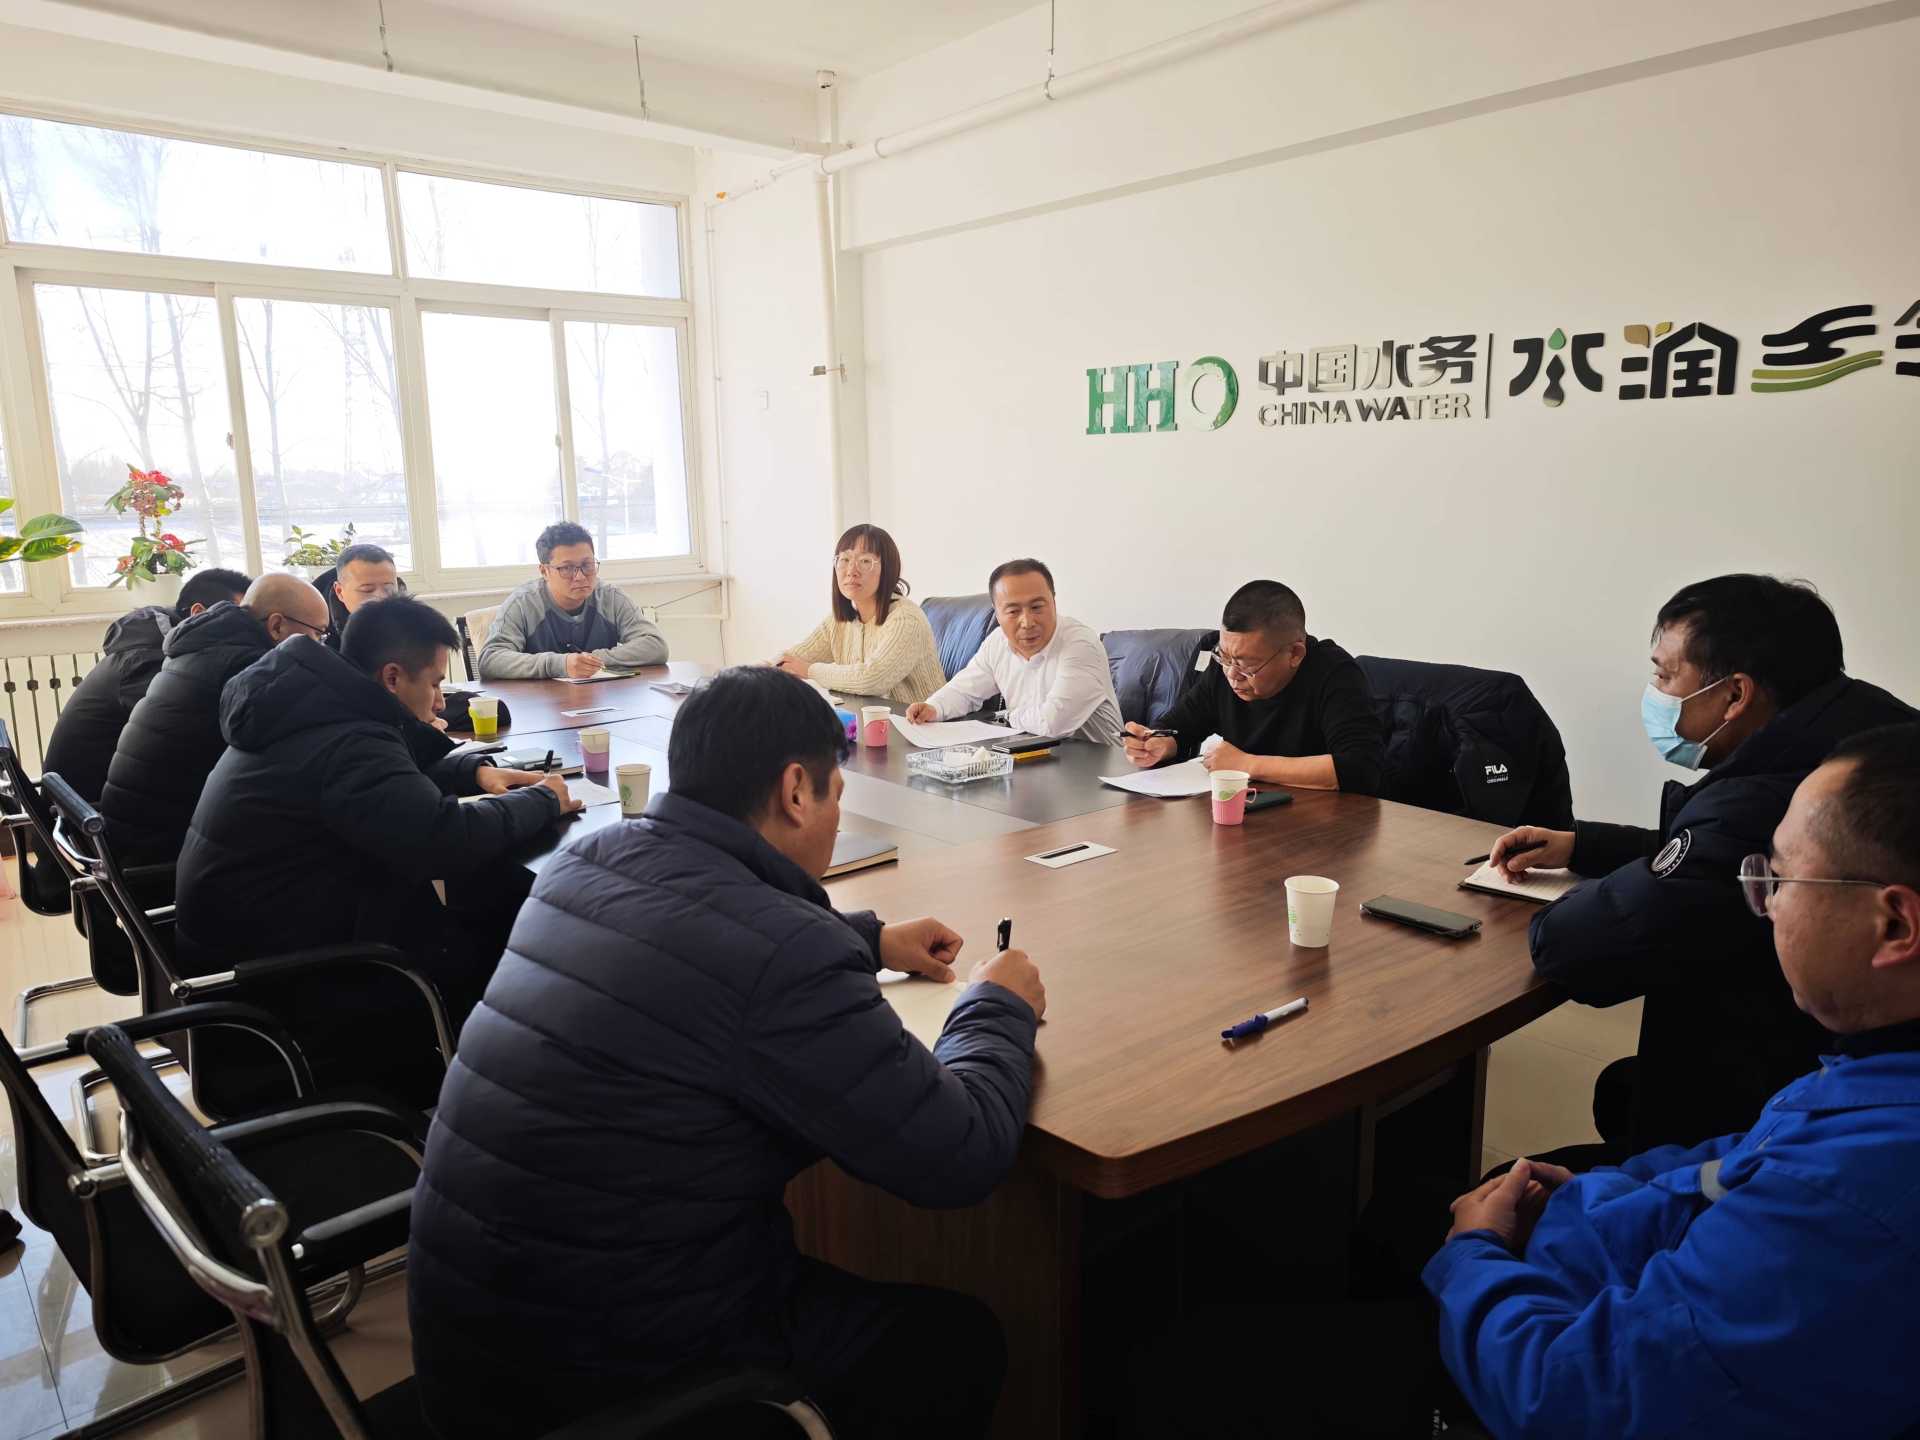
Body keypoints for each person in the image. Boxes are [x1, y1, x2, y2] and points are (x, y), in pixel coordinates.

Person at [409, 666, 1044, 1440]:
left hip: (469, 1350)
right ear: (796, 791)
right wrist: (998, 1004)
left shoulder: (590, 859)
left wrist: (869, 939)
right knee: (954, 1346)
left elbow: (700, 944)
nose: (836, 817)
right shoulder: (784, 955)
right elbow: (961, 1156)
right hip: (597, 1386)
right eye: (836, 796)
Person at [1426, 723, 1920, 1438]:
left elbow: (1572, 1400)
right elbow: (1736, 1166)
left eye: (1781, 878)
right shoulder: (1876, 1073)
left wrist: (1471, 1256)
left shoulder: (1848, 1194)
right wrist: (1597, 1195)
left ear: (1895, 925)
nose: (1766, 903)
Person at [1487, 574, 1914, 1158]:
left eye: (1665, 676)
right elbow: (1699, 859)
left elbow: (1576, 949)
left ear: (1735, 695)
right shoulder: (1865, 728)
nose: (1654, 693)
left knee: (1507, 1186)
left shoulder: (1765, 799)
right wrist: (1583, 847)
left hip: (1762, 1115)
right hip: (1843, 1064)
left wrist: (1567, 904)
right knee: (1621, 1091)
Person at [175, 596, 581, 1031]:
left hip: (251, 949)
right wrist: (543, 800)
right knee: (520, 946)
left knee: (485, 914)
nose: (440, 703)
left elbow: (380, 781)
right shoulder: (351, 740)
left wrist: (473, 772)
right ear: (392, 677)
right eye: (435, 684)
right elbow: (442, 841)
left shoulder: (312, 705)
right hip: (287, 987)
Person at [99, 574, 331, 866]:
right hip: (160, 853)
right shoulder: (248, 669)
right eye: (318, 634)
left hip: (129, 832)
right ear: (276, 626)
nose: (321, 647)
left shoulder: (205, 644)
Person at [1121, 579, 1384, 794]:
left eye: (1248, 665)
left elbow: (1360, 767)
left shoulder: (1335, 674)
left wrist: (1248, 764)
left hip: (1326, 825)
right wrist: (1158, 743)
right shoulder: (1226, 667)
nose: (1232, 674)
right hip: (1249, 816)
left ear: (1294, 654)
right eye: (1225, 657)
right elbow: (1182, 726)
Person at [40, 568, 249, 803]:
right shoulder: (149, 661)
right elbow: (190, 738)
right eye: (241, 621)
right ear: (198, 613)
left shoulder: (156, 644)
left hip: (87, 802)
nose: (250, 633)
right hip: (88, 812)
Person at [905, 557, 1124, 745]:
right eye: (1013, 611)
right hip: (1034, 759)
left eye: (1037, 607)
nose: (1027, 622)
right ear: (997, 613)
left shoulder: (1080, 644)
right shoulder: (998, 642)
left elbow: (1053, 723)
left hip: (1097, 769)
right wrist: (934, 707)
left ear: (1054, 602)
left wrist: (1008, 717)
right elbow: (965, 690)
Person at [774, 523, 946, 705]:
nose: (851, 571)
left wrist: (809, 670)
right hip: (869, 718)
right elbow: (794, 658)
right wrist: (759, 672)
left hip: (916, 721)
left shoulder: (906, 619)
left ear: (887, 569)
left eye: (865, 561)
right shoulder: (839, 621)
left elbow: (872, 679)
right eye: (844, 560)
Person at [477, 521, 668, 680]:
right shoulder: (522, 603)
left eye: (587, 565)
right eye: (567, 568)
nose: (580, 577)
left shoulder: (610, 597)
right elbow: (490, 659)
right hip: (541, 704)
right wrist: (560, 664)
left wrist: (591, 661)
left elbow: (655, 646)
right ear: (544, 571)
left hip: (603, 699)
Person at [317, 541, 402, 642]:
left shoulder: (410, 618)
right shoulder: (316, 631)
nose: (381, 598)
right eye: (367, 590)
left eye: (389, 589)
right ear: (339, 591)